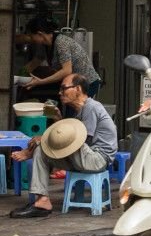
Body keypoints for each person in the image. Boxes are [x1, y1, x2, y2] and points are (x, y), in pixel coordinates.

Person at [9, 77, 117, 218]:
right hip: (83, 156)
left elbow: (80, 140)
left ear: (78, 89)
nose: (60, 92)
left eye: (64, 88)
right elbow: (69, 138)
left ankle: (30, 152)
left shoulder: (91, 107)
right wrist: (57, 120)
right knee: (41, 151)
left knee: (43, 143)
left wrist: (44, 138)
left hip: (97, 159)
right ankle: (42, 201)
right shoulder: (79, 112)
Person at [21, 16, 102, 98]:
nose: (31, 39)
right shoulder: (45, 45)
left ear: (40, 34)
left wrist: (41, 81)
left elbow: (67, 71)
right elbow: (37, 60)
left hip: (87, 83)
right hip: (73, 83)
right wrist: (20, 75)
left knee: (74, 108)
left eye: (31, 36)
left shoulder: (61, 42)